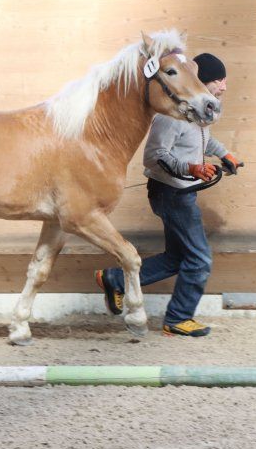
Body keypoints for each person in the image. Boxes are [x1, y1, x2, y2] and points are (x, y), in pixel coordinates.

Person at [96, 52, 242, 337]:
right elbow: (154, 156)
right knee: (200, 259)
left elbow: (203, 139)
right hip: (171, 195)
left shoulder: (195, 112)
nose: (224, 86)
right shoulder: (173, 115)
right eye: (218, 80)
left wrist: (226, 155)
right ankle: (177, 319)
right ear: (202, 80)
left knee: (177, 257)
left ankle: (114, 279)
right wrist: (192, 168)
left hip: (180, 192)